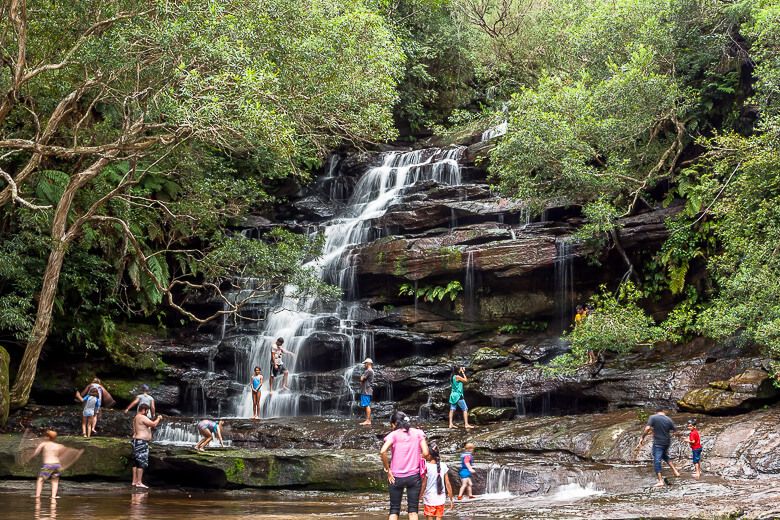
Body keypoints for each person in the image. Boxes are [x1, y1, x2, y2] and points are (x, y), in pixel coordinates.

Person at [380, 411, 430, 520]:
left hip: (395, 477)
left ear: (394, 424)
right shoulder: (418, 433)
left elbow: (382, 451)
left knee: (394, 510)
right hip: (414, 476)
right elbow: (426, 453)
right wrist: (419, 459)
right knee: (413, 510)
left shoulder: (393, 435)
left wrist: (388, 470)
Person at [636, 407, 681, 487]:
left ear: (656, 412)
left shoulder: (653, 417)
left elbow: (647, 428)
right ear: (663, 411)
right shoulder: (669, 419)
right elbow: (676, 432)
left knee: (657, 460)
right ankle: (675, 471)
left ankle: (660, 481)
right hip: (667, 442)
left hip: (658, 443)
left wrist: (642, 437)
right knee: (664, 455)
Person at [131, 403, 162, 488]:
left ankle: (134, 481)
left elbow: (142, 428)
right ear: (144, 410)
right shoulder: (142, 417)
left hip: (136, 441)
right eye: (147, 411)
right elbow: (153, 424)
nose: (147, 413)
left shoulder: (136, 417)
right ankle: (139, 482)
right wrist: (158, 418)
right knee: (141, 462)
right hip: (141, 442)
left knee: (135, 462)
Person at [420, 442, 454, 519]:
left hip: (429, 497)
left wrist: (420, 496)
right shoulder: (443, 465)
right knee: (439, 517)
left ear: (429, 455)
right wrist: (451, 499)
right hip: (441, 498)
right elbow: (448, 484)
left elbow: (424, 484)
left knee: (430, 517)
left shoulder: (426, 466)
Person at [32, 431, 65, 498]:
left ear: (47, 437)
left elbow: (36, 453)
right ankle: (53, 497)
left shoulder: (44, 444)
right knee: (55, 481)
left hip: (48, 465)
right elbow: (62, 454)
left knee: (40, 480)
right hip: (57, 465)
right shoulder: (58, 446)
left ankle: (37, 496)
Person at [359, 358, 375, 426]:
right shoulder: (371, 371)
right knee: (367, 405)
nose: (364, 365)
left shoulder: (368, 371)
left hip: (366, 390)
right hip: (368, 390)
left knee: (367, 405)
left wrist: (361, 377)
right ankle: (368, 420)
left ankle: (368, 420)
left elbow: (361, 379)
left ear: (368, 363)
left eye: (365, 363)